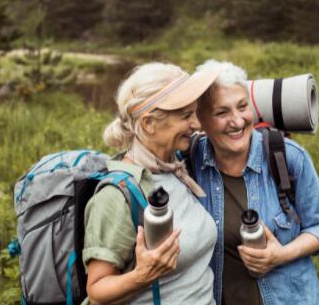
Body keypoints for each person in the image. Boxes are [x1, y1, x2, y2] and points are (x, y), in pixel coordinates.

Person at [190, 60, 319, 305]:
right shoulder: (191, 161)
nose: (237, 121)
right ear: (201, 121)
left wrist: (281, 255)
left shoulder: (287, 157)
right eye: (221, 112)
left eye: (242, 106)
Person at [82, 62, 219, 305]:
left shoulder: (177, 165)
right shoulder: (117, 195)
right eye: (186, 116)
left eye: (195, 113)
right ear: (149, 124)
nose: (197, 125)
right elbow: (96, 290)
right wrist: (142, 276)